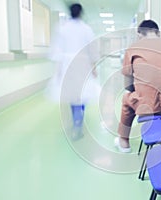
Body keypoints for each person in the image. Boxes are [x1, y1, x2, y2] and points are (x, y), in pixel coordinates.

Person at [115, 20, 161, 153]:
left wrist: (142, 90)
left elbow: (128, 86)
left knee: (126, 99)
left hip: (146, 107)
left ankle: (124, 141)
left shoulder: (133, 49)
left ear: (139, 34)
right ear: (158, 33)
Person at [47, 3, 99, 140]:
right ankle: (78, 122)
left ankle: (76, 120)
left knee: (71, 94)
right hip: (82, 64)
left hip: (67, 65)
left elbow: (57, 51)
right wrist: (94, 69)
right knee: (82, 94)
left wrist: (58, 71)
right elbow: (92, 50)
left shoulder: (62, 28)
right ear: (81, 13)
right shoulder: (86, 29)